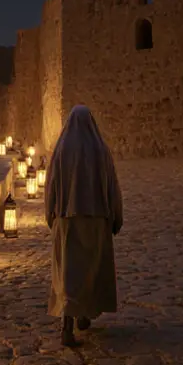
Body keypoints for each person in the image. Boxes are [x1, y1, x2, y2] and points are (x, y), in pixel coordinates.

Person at [44, 105, 123, 347]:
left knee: (69, 274)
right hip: (96, 220)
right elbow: (112, 185)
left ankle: (67, 324)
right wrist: (116, 217)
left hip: (68, 220)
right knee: (90, 270)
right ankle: (85, 315)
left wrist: (51, 215)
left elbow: (51, 185)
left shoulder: (62, 150)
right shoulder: (100, 150)